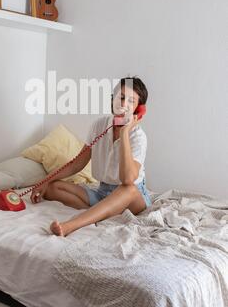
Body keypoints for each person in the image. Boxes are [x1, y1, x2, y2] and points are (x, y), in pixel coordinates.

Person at [31, 76, 151, 236]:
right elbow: (76, 164)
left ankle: (70, 226)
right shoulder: (99, 125)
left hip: (132, 196)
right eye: (121, 97)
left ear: (138, 109)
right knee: (53, 187)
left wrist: (124, 133)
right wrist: (45, 181)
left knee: (128, 189)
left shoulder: (138, 137)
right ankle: (102, 211)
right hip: (103, 191)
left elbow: (128, 179)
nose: (123, 104)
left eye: (131, 101)